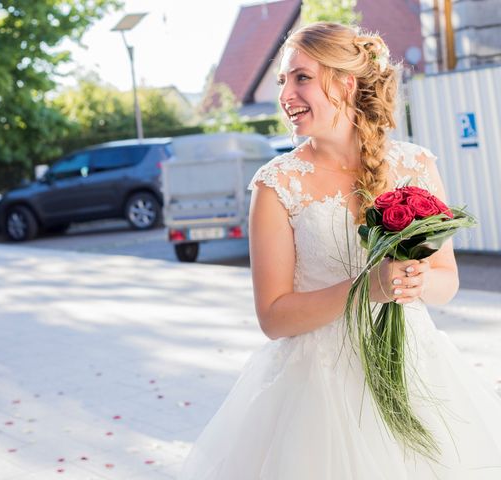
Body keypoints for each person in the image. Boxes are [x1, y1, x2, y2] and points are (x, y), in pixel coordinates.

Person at [180, 22, 501, 479]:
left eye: (301, 77)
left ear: (346, 82)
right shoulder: (277, 184)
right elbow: (274, 316)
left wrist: (416, 282)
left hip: (415, 371)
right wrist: (368, 287)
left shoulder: (415, 164)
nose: (286, 94)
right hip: (317, 388)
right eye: (282, 81)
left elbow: (447, 280)